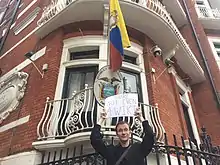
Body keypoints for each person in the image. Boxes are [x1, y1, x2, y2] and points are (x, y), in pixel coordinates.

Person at [90, 108, 154, 165]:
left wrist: (141, 118)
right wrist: (101, 119)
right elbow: (95, 140)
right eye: (120, 130)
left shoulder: (139, 149)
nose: (123, 133)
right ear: (117, 134)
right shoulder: (111, 151)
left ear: (130, 132)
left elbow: (150, 135)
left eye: (126, 130)